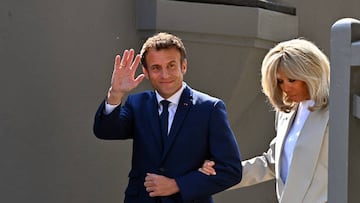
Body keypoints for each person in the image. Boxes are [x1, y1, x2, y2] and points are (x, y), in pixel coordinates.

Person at [93, 32, 242, 203]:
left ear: (183, 66)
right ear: (146, 72)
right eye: (156, 68)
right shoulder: (137, 104)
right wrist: (115, 94)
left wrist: (177, 184)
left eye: (171, 66)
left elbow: (231, 170)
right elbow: (105, 131)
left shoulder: (209, 108)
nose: (165, 75)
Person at [199, 38, 330, 203]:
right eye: (280, 81)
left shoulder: (335, 111)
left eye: (292, 80)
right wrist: (223, 173)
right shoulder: (286, 114)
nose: (285, 87)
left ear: (311, 74)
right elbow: (272, 163)